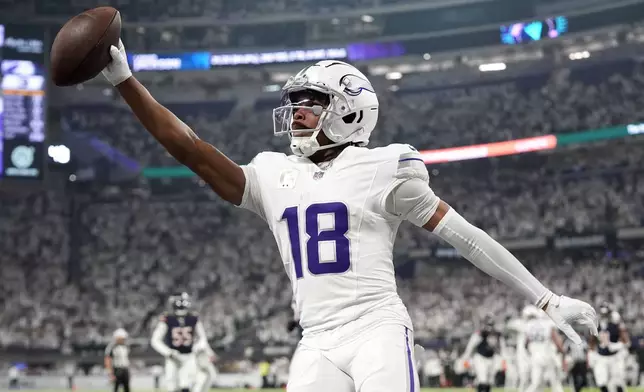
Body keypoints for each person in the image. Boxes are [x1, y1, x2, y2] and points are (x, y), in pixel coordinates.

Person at [101, 39, 598, 392]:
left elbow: (466, 238)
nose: (296, 111)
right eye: (293, 102)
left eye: (311, 102)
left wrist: (548, 301)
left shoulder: (384, 168)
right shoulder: (272, 174)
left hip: (376, 328)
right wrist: (126, 82)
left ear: (350, 112)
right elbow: (188, 148)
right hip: (315, 338)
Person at [151, 292, 209, 392]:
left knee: (181, 384)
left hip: (182, 356)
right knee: (178, 384)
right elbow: (203, 339)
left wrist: (168, 352)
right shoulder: (191, 318)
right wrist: (169, 352)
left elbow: (155, 340)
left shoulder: (168, 318)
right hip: (178, 356)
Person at [589, 302, 630, 392]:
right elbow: (592, 341)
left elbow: (626, 341)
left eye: (606, 314)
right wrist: (591, 354)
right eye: (603, 314)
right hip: (601, 357)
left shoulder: (616, 323)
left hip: (615, 357)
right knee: (601, 382)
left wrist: (616, 346)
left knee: (618, 383)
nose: (604, 316)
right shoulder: (596, 324)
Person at [523, 310, 566, 392]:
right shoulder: (548, 324)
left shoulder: (530, 325)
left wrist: (531, 352)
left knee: (536, 383)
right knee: (555, 382)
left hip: (535, 356)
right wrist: (562, 351)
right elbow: (556, 341)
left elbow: (526, 343)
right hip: (547, 355)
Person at [459, 316, 502, 392]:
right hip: (480, 358)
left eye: (491, 325)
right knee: (483, 379)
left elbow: (500, 347)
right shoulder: (480, 333)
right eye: (488, 325)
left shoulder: (497, 334)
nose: (489, 327)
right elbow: (471, 345)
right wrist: (466, 356)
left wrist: (502, 357)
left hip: (491, 359)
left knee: (489, 381)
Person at [105, 328, 131, 392]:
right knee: (116, 387)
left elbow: (125, 359)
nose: (124, 339)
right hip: (117, 369)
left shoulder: (125, 346)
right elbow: (108, 360)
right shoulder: (112, 347)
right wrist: (110, 373)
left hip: (125, 369)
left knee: (127, 387)